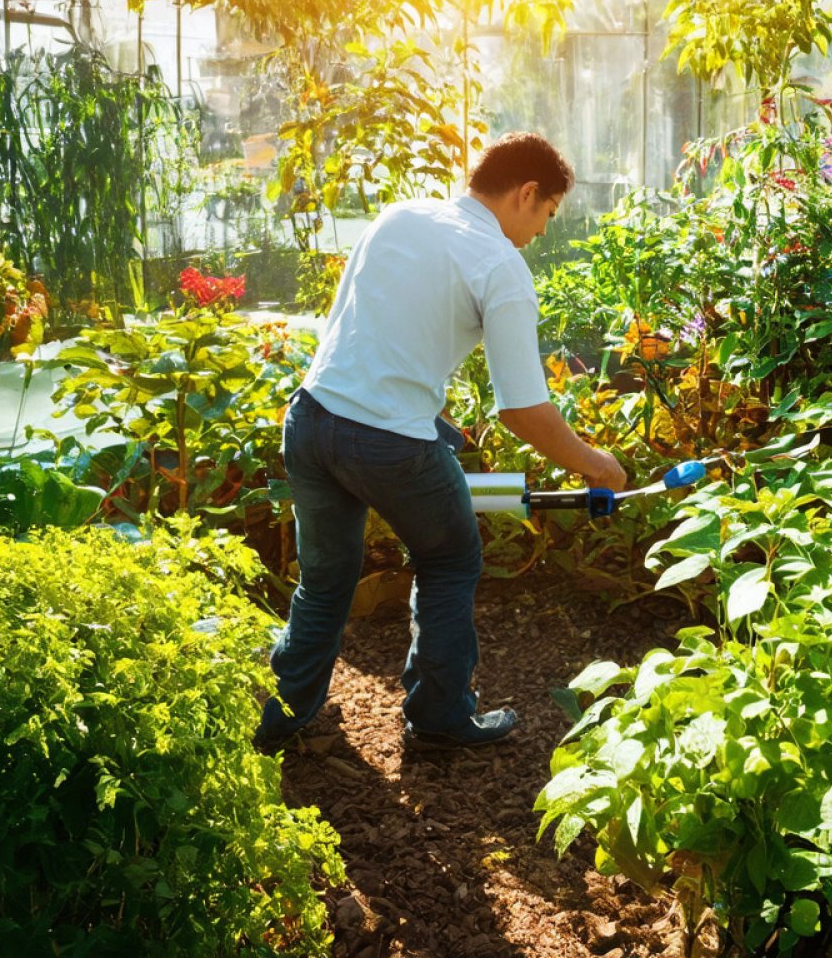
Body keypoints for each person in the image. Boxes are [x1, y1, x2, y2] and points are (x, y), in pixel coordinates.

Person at [255, 132, 627, 752]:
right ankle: (438, 716)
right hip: (390, 446)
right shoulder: (501, 265)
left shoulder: (402, 215)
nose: (539, 235)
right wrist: (594, 463)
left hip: (312, 421)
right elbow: (523, 410)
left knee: (324, 581)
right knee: (450, 560)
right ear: (526, 193)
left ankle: (282, 718)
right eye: (546, 217)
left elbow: (360, 330)